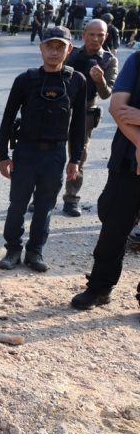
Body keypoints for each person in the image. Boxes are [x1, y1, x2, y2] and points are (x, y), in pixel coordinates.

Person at [0, 26, 87, 273]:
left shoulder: (77, 81)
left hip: (55, 155)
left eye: (60, 47)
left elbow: (79, 124)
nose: (54, 52)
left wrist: (75, 159)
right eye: (50, 47)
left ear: (69, 50)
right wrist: (3, 155)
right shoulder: (25, 80)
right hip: (26, 152)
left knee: (45, 206)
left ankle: (35, 251)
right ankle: (13, 249)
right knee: (17, 204)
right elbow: (7, 119)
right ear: (41, 48)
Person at [70, 48, 140, 313]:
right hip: (128, 161)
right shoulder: (137, 61)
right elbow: (118, 108)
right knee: (113, 227)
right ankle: (99, 288)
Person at [61, 18, 118, 217]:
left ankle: (71, 199)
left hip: (86, 112)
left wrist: (100, 80)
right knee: (51, 151)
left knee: (79, 156)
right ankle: (42, 195)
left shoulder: (109, 60)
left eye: (100, 35)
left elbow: (106, 94)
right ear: (84, 34)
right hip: (62, 109)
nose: (95, 39)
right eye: (91, 34)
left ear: (106, 36)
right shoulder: (71, 53)